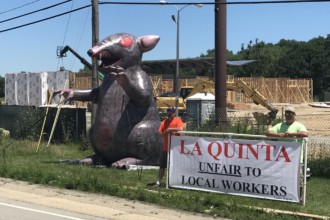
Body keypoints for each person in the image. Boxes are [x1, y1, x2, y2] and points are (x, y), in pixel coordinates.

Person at [148, 106, 184, 188]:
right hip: (165, 148)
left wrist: (170, 129)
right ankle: (158, 182)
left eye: (171, 112)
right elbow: (160, 133)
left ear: (174, 113)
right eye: (168, 111)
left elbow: (181, 129)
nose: (169, 113)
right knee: (162, 166)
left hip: (175, 148)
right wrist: (166, 132)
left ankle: (174, 182)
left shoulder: (178, 120)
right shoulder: (164, 122)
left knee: (173, 166)